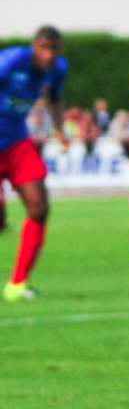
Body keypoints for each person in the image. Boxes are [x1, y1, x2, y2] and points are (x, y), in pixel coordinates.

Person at [0, 26, 69, 301]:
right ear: (34, 46)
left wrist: (60, 131)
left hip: (17, 142)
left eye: (53, 49)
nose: (48, 55)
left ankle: (17, 283)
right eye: (43, 48)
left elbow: (54, 99)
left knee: (39, 207)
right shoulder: (11, 61)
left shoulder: (58, 69)